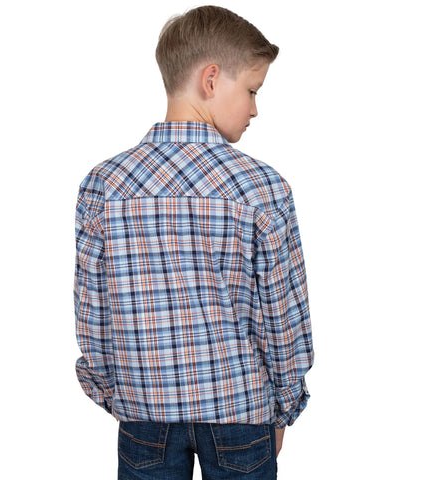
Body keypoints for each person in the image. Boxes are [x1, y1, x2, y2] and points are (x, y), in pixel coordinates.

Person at [73, 5, 314, 479]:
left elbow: (92, 313)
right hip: (242, 413)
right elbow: (283, 316)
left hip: (144, 412)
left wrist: (113, 393)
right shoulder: (260, 188)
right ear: (211, 79)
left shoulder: (104, 185)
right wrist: (285, 406)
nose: (255, 109)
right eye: (252, 90)